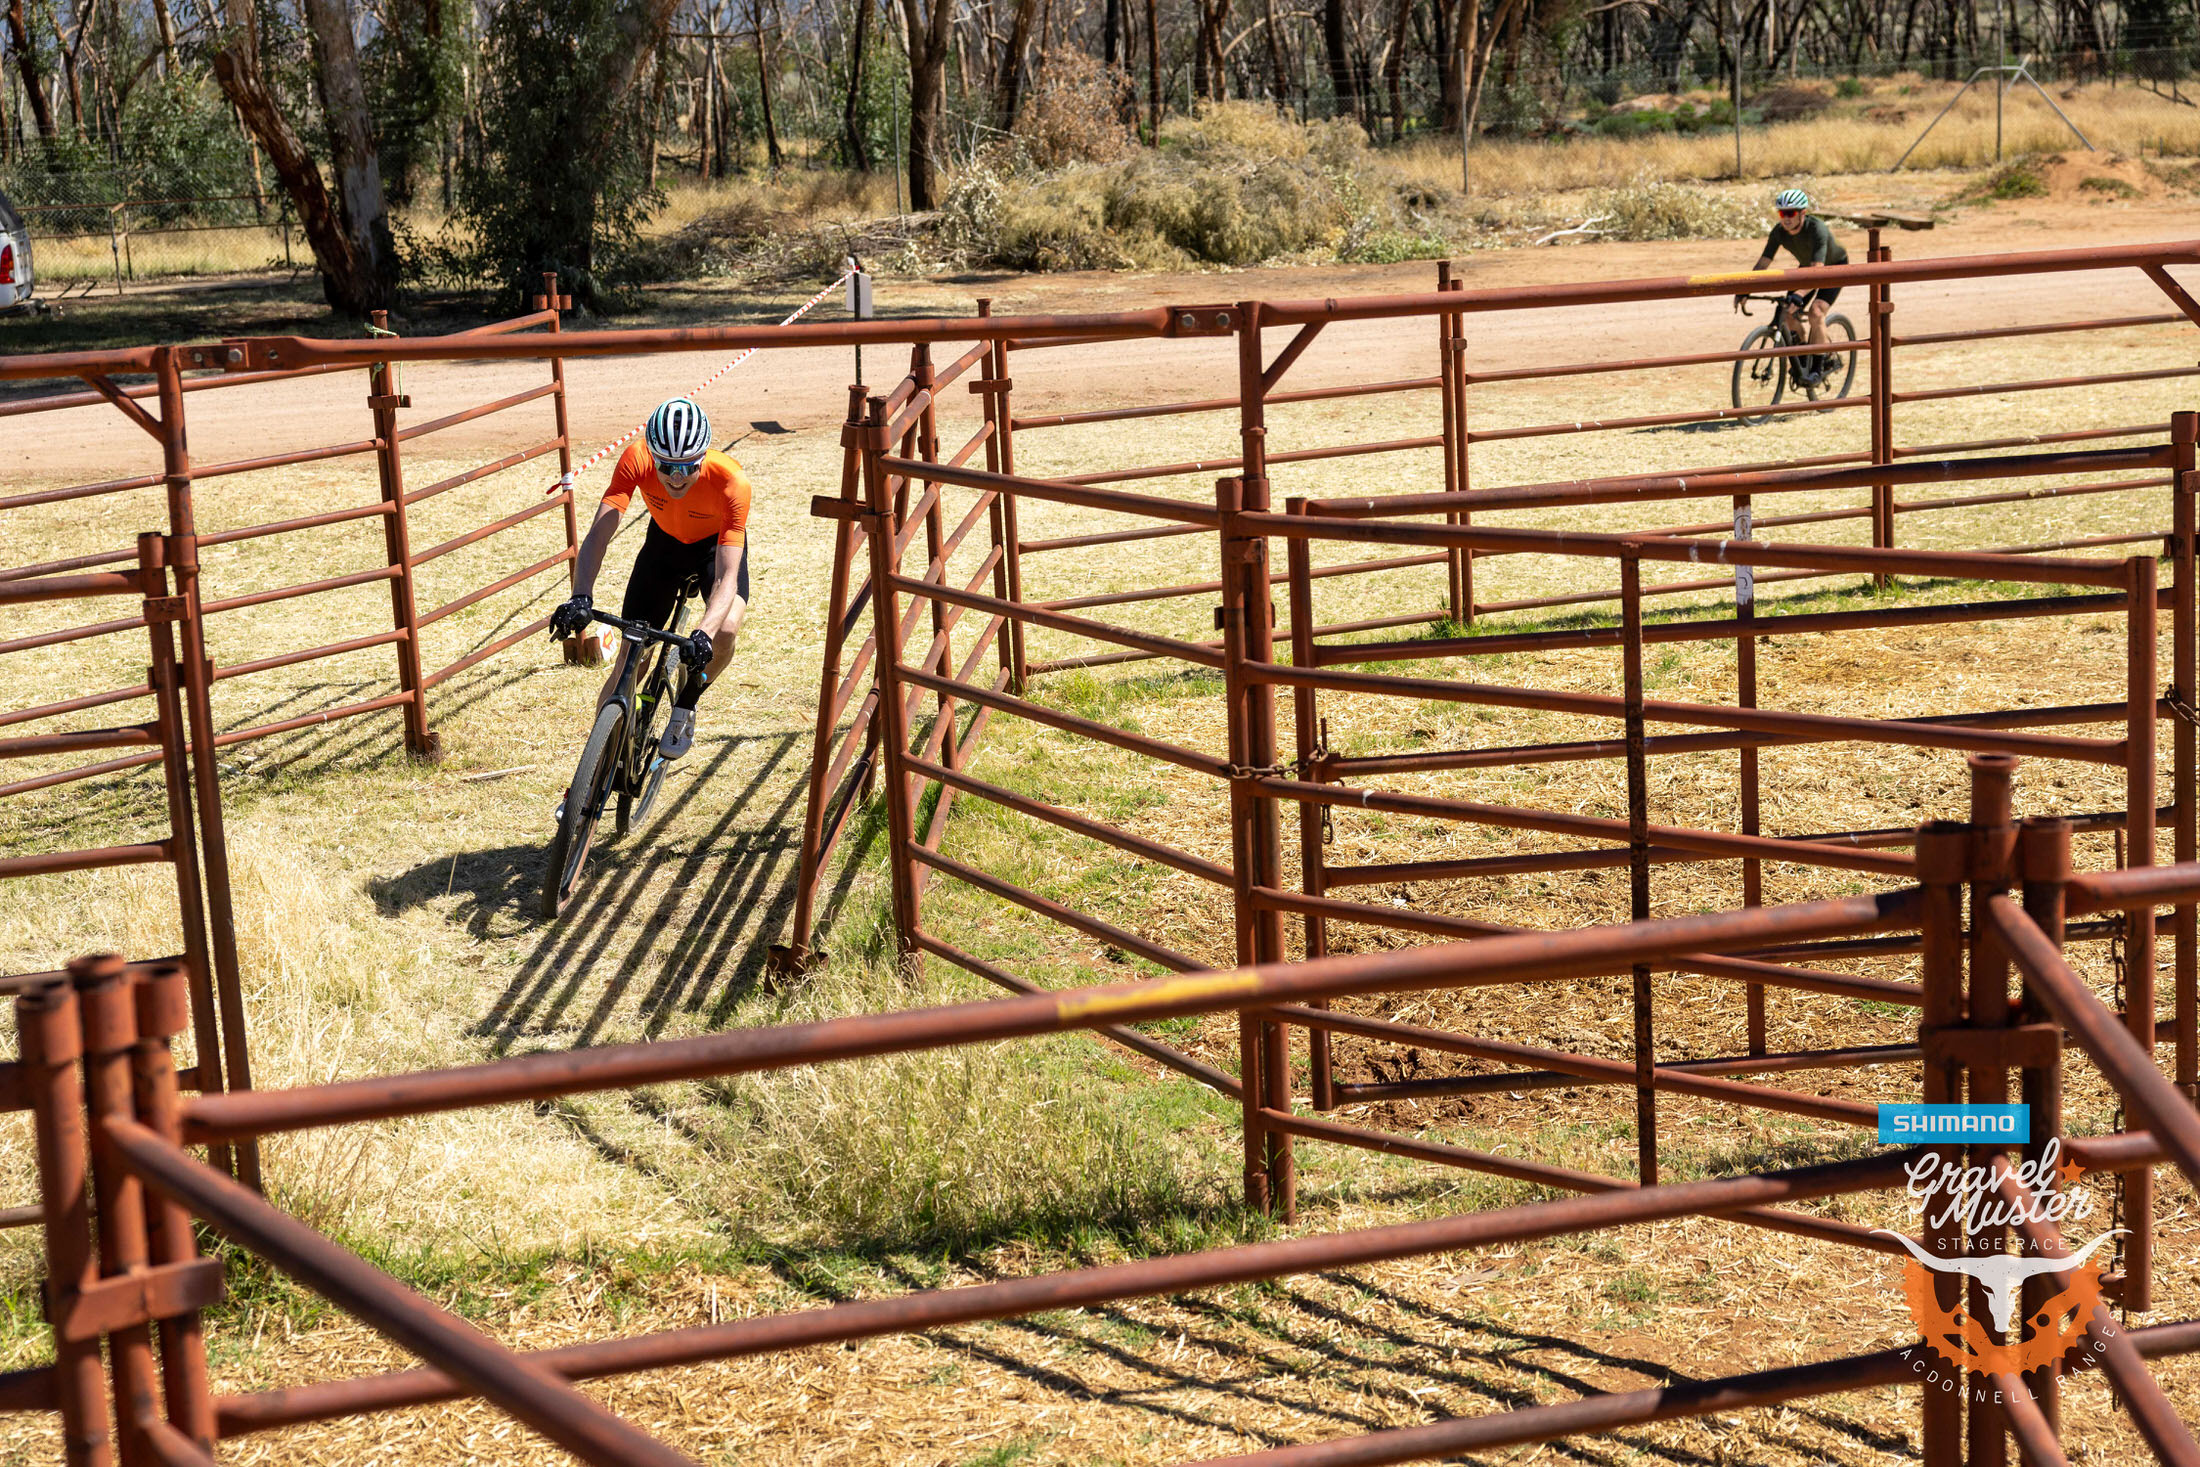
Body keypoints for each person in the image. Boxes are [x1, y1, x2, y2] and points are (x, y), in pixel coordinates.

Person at [550, 396, 753, 760]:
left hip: (714, 548)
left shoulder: (732, 482)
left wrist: (703, 635)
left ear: (703, 457)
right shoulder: (635, 458)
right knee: (630, 659)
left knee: (725, 630)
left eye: (688, 466)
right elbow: (599, 534)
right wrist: (580, 596)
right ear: (652, 455)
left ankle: (687, 703)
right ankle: (594, 771)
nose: (676, 478)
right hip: (663, 546)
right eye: (666, 466)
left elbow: (726, 580)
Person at [1739, 187, 1848, 383]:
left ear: (1802, 213)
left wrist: (1799, 294)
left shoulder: (1817, 230)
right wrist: (1745, 288)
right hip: (1809, 268)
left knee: (1816, 312)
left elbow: (1818, 272)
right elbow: (1763, 262)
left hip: (1833, 268)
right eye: (1782, 213)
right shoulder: (1779, 232)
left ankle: (1817, 366)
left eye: (1790, 213)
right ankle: (1805, 348)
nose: (1786, 218)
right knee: (1787, 312)